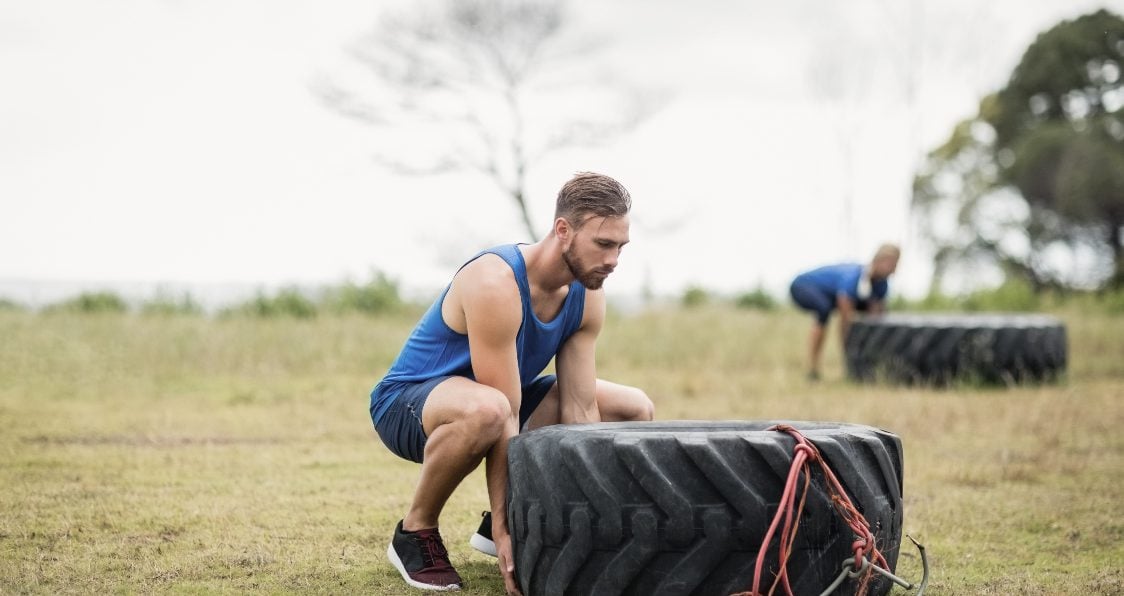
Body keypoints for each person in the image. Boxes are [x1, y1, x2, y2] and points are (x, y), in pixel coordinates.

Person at [369, 172, 655, 593]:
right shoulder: (494, 282)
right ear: (563, 231)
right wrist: (507, 531)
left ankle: (527, 520)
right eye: (603, 244)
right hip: (409, 405)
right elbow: (505, 412)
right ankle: (416, 532)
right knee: (490, 409)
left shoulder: (588, 291)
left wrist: (594, 518)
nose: (613, 259)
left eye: (620, 247)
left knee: (633, 407)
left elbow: (579, 410)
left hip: (501, 402)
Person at [789, 244, 901, 380]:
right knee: (823, 310)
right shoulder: (853, 278)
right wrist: (848, 354)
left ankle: (869, 368)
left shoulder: (882, 285)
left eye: (896, 264)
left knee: (868, 314)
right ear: (878, 261)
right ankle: (813, 369)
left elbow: (876, 319)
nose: (894, 268)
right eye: (891, 263)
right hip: (802, 286)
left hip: (834, 296)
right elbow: (845, 320)